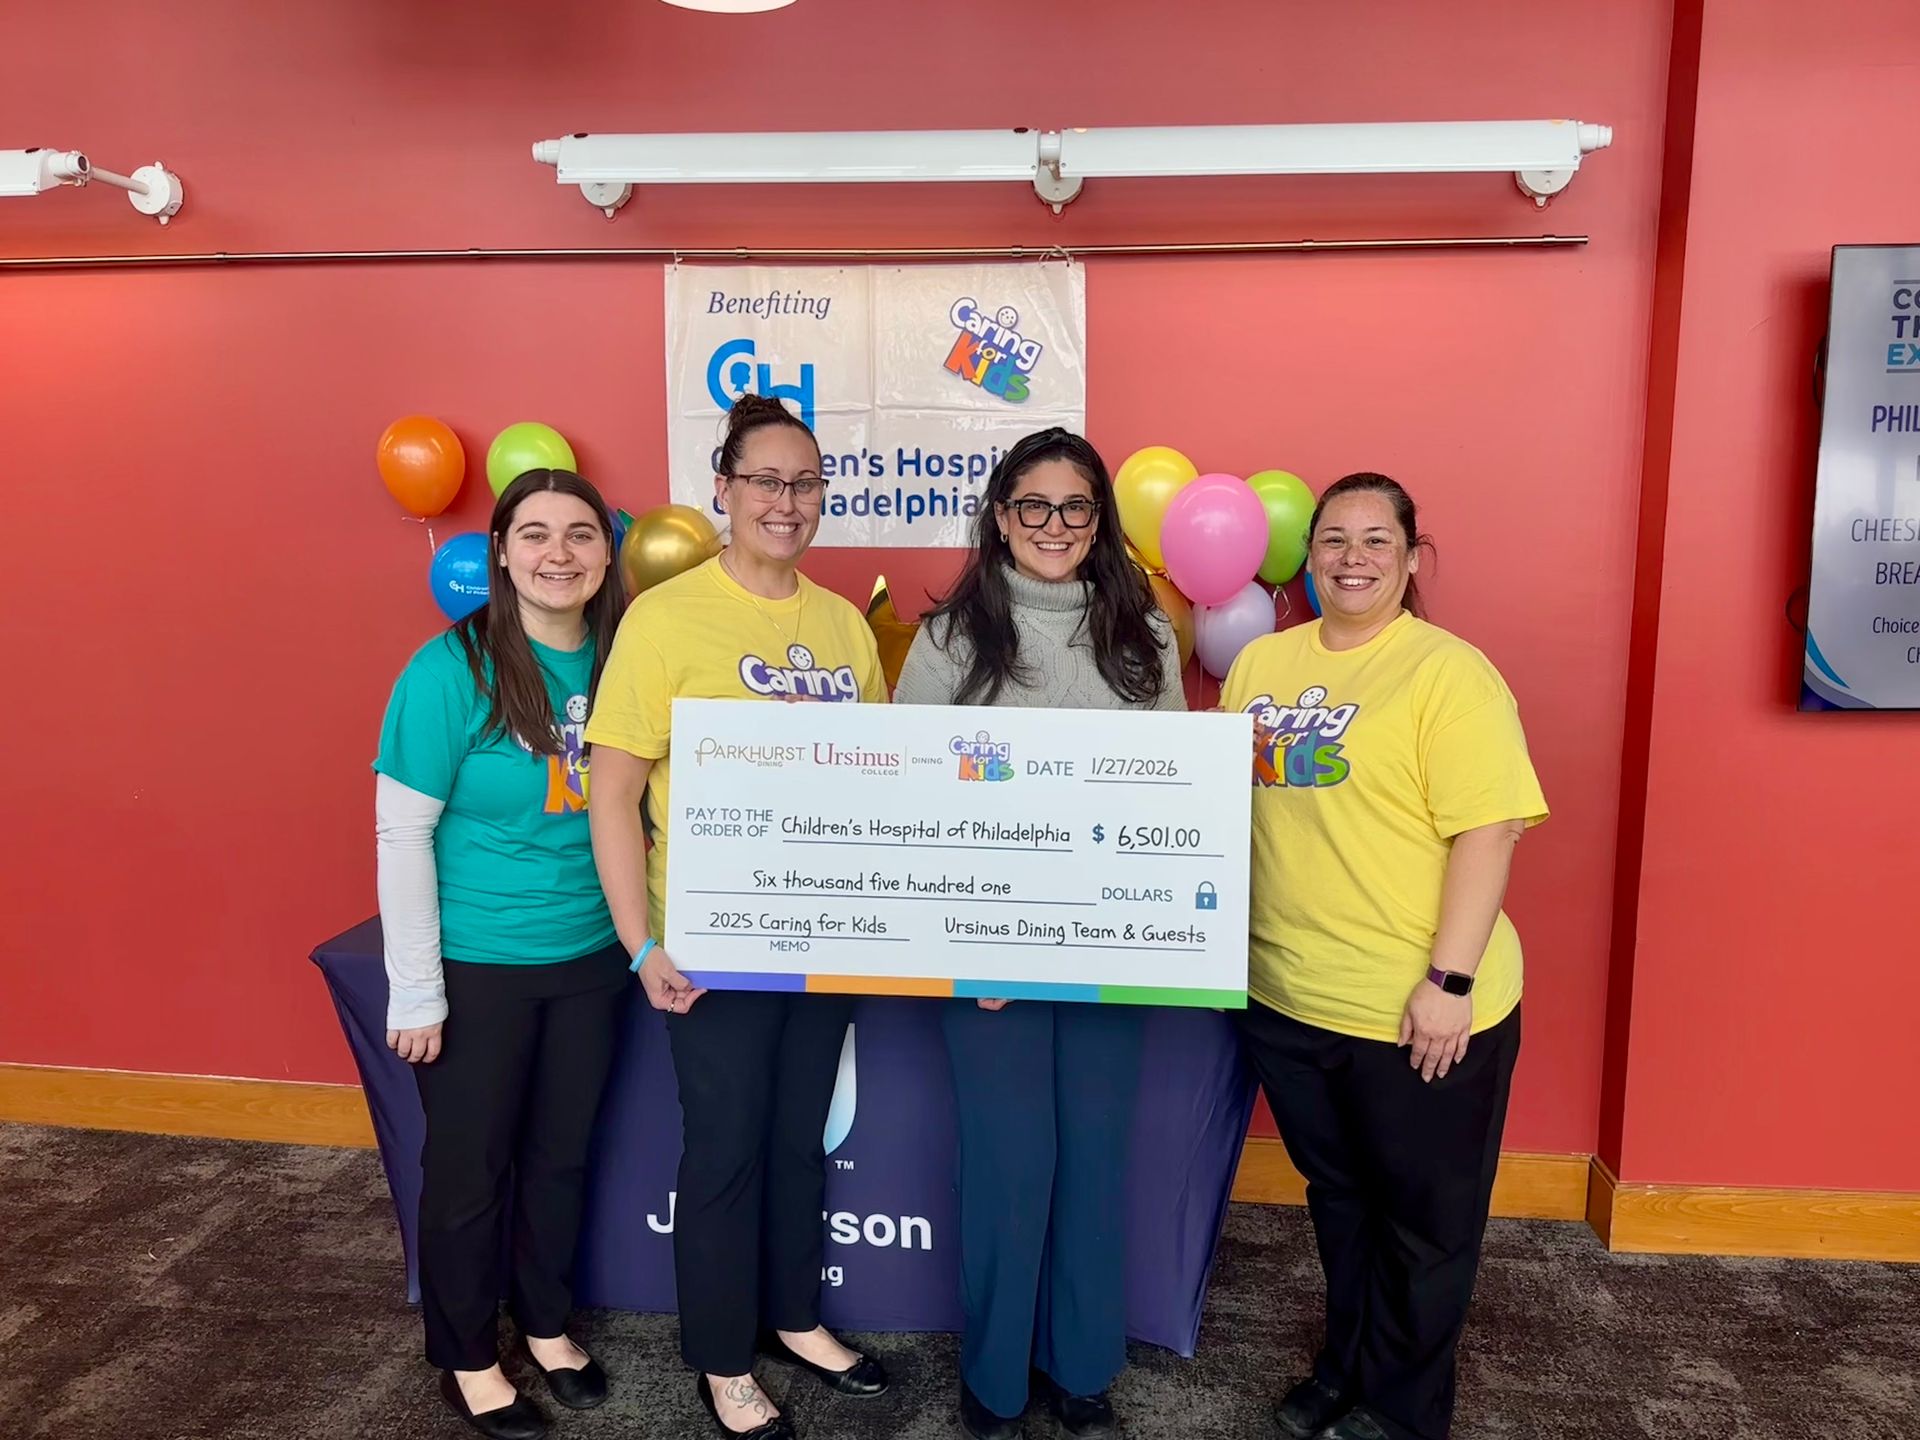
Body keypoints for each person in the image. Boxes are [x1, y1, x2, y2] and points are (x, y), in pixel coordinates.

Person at [584, 395, 890, 1440]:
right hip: (711, 946)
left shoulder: (844, 623)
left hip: (828, 939)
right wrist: (642, 945)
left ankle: (796, 1316)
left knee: (800, 1141)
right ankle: (722, 1356)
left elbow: (880, 784)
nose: (786, 502)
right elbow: (614, 793)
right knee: (723, 1150)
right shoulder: (666, 620)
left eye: (805, 484)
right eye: (765, 481)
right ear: (722, 488)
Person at [1220, 473, 1548, 1440]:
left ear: (1411, 558)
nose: (1352, 558)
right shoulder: (1259, 667)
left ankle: (1403, 1412)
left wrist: (1450, 983)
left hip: (1420, 1008)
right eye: (1334, 539)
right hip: (1287, 997)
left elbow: (1490, 831)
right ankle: (1345, 1368)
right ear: (1308, 556)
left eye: (1375, 541)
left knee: (1424, 1226)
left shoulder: (1449, 673)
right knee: (1342, 1205)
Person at [893, 428, 1186, 1440]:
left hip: (1111, 957)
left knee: (1097, 1161)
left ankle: (1083, 1369)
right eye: (1033, 506)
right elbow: (912, 808)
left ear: (1099, 520)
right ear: (1000, 515)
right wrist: (959, 946)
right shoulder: (946, 639)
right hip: (988, 967)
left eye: (1075, 508)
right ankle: (995, 1378)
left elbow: (1174, 803)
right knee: (1011, 1168)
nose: (1054, 527)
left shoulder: (1144, 628)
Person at [374, 469, 630, 1440]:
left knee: (562, 1159)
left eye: (578, 535)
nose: (557, 554)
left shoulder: (621, 659)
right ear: (501, 552)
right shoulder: (450, 670)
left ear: (608, 554)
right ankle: (469, 1355)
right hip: (481, 964)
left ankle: (549, 1324)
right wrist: (418, 992)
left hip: (593, 955)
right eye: (534, 534)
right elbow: (401, 835)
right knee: (472, 1171)